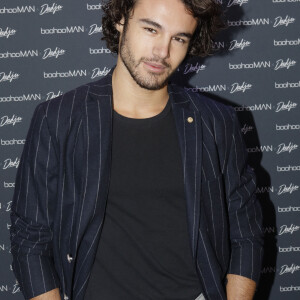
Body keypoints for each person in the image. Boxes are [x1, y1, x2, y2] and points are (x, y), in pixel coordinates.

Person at [9, 0, 264, 299]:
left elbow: (247, 234)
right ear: (121, 20)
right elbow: (30, 240)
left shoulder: (217, 122)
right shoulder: (58, 119)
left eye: (179, 38)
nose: (162, 52)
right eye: (151, 29)